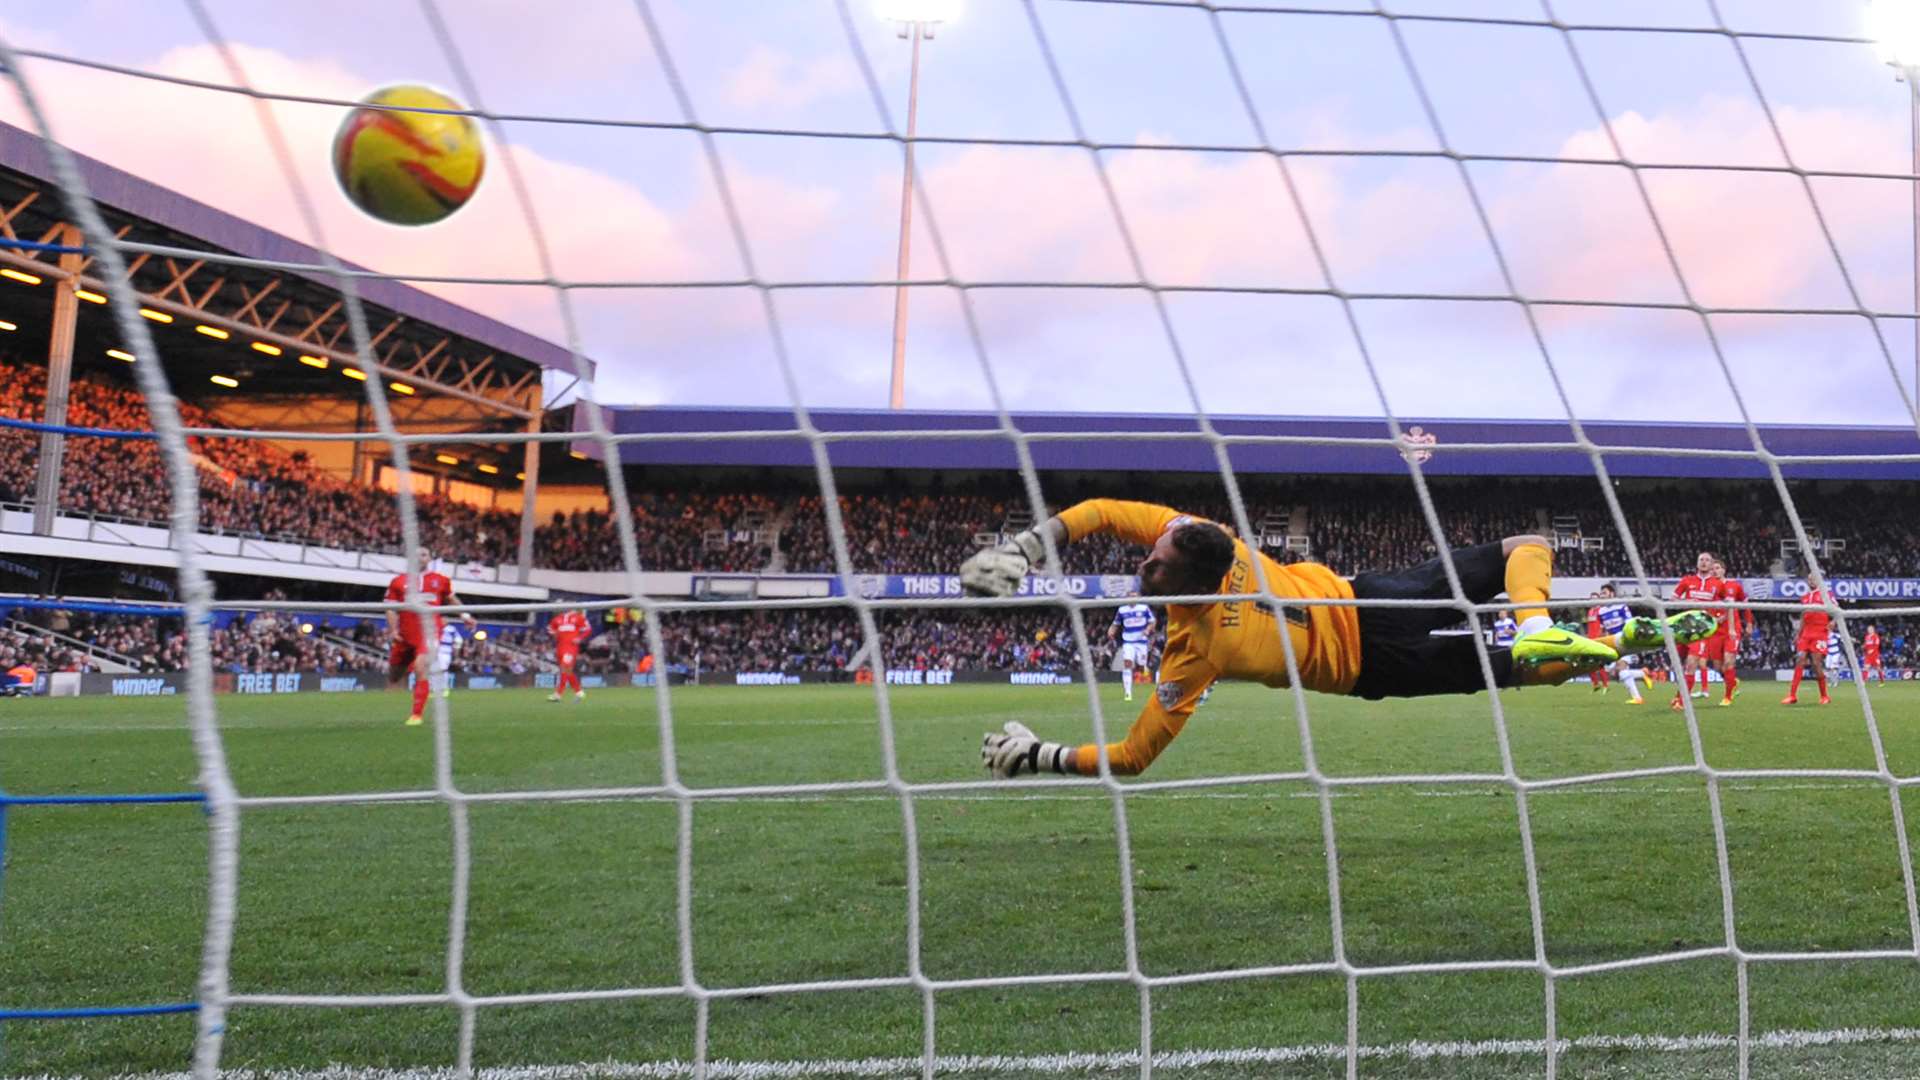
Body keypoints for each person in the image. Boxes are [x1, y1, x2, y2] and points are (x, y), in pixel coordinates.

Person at [962, 500, 1713, 778]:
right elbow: (1100, 511)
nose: (1143, 558)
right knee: (1524, 548)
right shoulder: (1213, 540)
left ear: (1185, 579)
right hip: (1372, 596)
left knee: (1518, 674)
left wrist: (1042, 758)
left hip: (1373, 661)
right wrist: (1027, 551)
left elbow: (1131, 760)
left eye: (1152, 564)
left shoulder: (1196, 654)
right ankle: (1552, 627)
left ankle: (1574, 644)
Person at [385, 549, 476, 726]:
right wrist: (393, 630)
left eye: (424, 554)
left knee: (421, 668)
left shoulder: (440, 580)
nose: (420, 557)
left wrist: (465, 616)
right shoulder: (398, 582)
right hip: (405, 633)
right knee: (395, 675)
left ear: (429, 559)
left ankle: (416, 715)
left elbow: (451, 599)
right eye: (416, 554)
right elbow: (390, 608)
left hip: (429, 632)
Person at [1671, 552, 1723, 707]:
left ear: (1712, 564)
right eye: (1701, 560)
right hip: (1684, 627)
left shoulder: (1718, 584)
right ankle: (1680, 695)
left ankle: (1681, 701)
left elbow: (1728, 604)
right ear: (1697, 563)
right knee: (1678, 664)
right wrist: (1686, 602)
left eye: (1707, 560)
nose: (1704, 562)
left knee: (1692, 663)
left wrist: (1719, 618)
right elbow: (1673, 599)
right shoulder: (1687, 580)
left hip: (1701, 631)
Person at [1783, 574, 1832, 706]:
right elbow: (1803, 616)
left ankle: (1824, 696)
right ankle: (1792, 695)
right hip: (1806, 634)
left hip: (1820, 633)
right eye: (1809, 579)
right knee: (1800, 660)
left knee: (1816, 664)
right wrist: (1798, 635)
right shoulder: (1805, 598)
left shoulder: (1826, 594)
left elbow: (1836, 611)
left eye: (1814, 578)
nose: (1811, 581)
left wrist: (1832, 623)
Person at [1703, 558, 1746, 707]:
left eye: (1717, 568)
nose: (1715, 571)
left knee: (1728, 662)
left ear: (1723, 570)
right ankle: (1732, 682)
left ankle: (1727, 697)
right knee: (1717, 667)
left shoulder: (1732, 586)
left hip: (1731, 631)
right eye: (1712, 569)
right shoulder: (1709, 588)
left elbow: (1738, 605)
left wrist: (1746, 623)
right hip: (1715, 631)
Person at [1590, 585, 1643, 704]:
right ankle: (1643, 673)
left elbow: (1630, 624)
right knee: (1616, 673)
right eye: (1601, 593)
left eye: (1604, 593)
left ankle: (1637, 698)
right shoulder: (1601, 611)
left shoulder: (1621, 606)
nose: (1602, 595)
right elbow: (1604, 630)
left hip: (1625, 641)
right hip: (1613, 642)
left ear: (1612, 594)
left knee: (1622, 669)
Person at [1107, 599, 1156, 702]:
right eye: (1130, 596)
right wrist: (1111, 630)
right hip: (1128, 642)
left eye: (1134, 596)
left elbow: (1153, 621)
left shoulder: (1144, 608)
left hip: (1141, 642)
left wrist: (1147, 630)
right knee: (1127, 664)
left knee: (1141, 666)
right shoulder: (1122, 610)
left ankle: (1143, 667)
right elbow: (1116, 623)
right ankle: (1128, 693)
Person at [548, 608, 591, 701]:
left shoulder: (578, 617)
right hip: (560, 647)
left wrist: (580, 638)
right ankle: (579, 692)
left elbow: (588, 629)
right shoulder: (557, 619)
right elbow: (550, 629)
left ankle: (558, 694)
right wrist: (556, 635)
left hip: (571, 647)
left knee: (565, 667)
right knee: (567, 671)